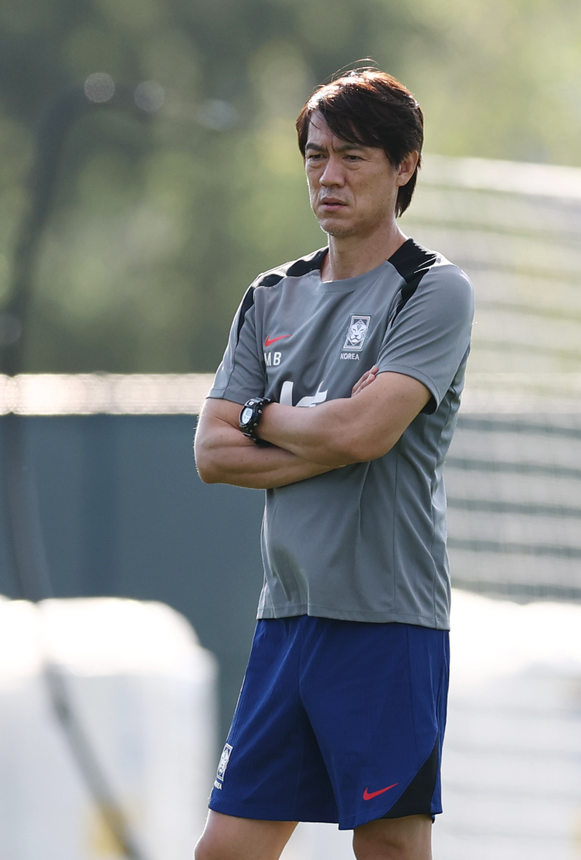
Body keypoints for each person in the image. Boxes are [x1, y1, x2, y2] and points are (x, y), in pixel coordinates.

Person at [191, 66, 474, 860]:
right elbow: (212, 454)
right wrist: (320, 430)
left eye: (353, 157)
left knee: (387, 847)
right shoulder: (269, 295)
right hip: (287, 618)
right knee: (228, 848)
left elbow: (362, 435)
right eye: (317, 157)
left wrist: (259, 418)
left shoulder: (432, 289)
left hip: (387, 620)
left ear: (405, 164)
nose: (328, 176)